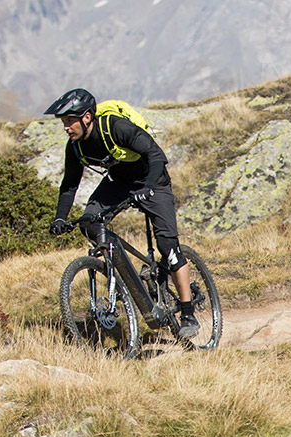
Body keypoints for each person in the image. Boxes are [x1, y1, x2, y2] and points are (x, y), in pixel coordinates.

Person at [43, 88, 198, 338]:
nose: (66, 127)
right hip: (119, 183)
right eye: (63, 122)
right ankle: (123, 276)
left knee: (167, 246)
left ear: (86, 117)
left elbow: (156, 155)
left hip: (152, 179)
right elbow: (70, 185)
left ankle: (188, 312)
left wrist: (147, 187)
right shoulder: (75, 147)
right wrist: (60, 217)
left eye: (70, 121)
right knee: (90, 224)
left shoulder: (115, 127)